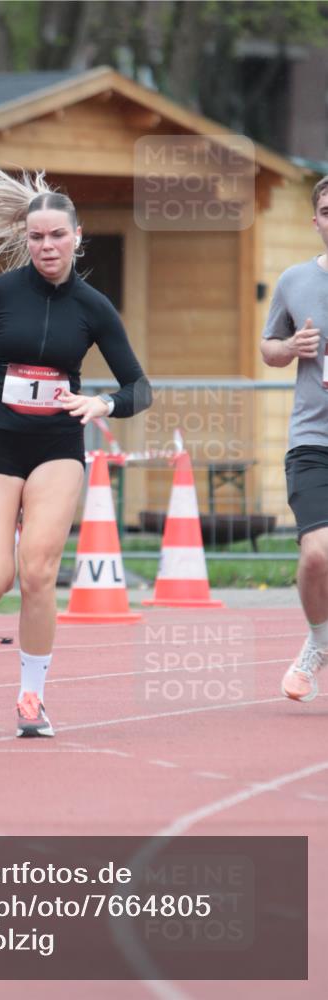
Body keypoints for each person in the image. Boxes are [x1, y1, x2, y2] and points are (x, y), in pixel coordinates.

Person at [0, 165, 151, 738]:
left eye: (58, 235)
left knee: (38, 571)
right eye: (37, 237)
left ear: (78, 237)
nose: (47, 246)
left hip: (56, 447)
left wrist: (102, 405)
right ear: (25, 240)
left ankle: (32, 696)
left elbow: (139, 389)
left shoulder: (93, 307)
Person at [261, 175, 328, 702]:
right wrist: (291, 346)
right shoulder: (293, 281)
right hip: (313, 439)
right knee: (316, 557)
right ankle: (317, 641)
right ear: (316, 221)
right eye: (327, 211)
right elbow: (268, 350)